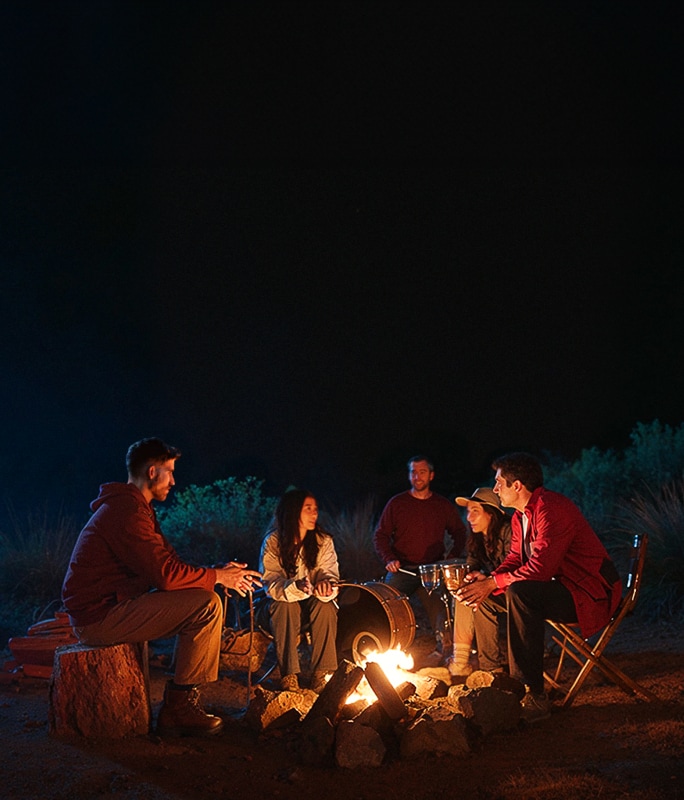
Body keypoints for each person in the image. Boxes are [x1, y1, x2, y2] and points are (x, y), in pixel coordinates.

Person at [61, 437, 262, 737]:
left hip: (113, 607)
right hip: (99, 618)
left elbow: (170, 563)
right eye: (170, 471)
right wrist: (216, 578)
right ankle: (179, 708)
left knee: (203, 595)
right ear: (152, 472)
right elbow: (167, 576)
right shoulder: (126, 513)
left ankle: (181, 702)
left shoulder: (136, 509)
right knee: (206, 606)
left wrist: (218, 572)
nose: (174, 480)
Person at [456, 452, 622, 722]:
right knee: (486, 596)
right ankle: (494, 676)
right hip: (563, 587)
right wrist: (487, 582)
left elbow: (540, 570)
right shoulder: (520, 516)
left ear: (517, 485)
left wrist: (493, 582)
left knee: (521, 594)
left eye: (499, 483)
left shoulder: (550, 509)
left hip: (590, 593)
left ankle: (532, 694)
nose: (495, 488)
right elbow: (515, 559)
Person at [373, 455, 467, 660]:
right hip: (402, 568)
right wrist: (389, 558)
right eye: (413, 472)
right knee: (388, 603)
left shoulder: (441, 505)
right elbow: (380, 535)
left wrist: (450, 559)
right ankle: (385, 650)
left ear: (431, 475)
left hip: (432, 569)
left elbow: (460, 532)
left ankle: (446, 650)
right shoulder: (397, 503)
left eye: (422, 472)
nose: (417, 476)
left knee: (441, 606)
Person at [259, 488, 339, 693]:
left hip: (309, 607)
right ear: (293, 512)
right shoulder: (274, 542)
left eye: (316, 509)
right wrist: (295, 587)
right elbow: (270, 583)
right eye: (308, 509)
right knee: (284, 606)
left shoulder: (323, 541)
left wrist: (325, 585)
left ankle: (322, 673)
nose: (314, 514)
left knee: (325, 606)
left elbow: (329, 573)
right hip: (275, 608)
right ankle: (289, 675)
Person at [447, 486, 512, 680]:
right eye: (468, 512)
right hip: (496, 587)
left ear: (491, 514)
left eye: (475, 511)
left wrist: (487, 578)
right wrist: (471, 575)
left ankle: (490, 668)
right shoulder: (477, 537)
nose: (469, 517)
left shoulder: (509, 531)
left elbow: (515, 566)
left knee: (476, 595)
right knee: (465, 592)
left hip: (516, 590)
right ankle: (460, 661)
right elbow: (472, 562)